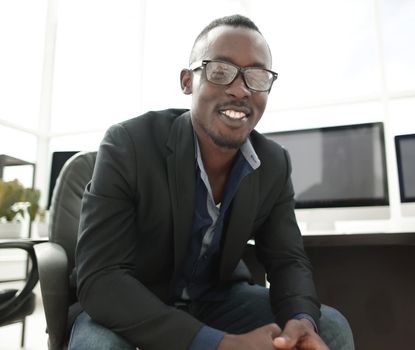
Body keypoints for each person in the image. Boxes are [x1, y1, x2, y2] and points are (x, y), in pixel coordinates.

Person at [71, 14, 354, 350]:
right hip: (134, 302)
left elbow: (287, 260)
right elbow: (101, 279)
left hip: (216, 300)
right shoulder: (129, 144)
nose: (240, 90)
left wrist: (300, 318)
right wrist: (218, 345)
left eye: (257, 76)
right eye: (220, 71)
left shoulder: (273, 163)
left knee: (330, 329)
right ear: (188, 81)